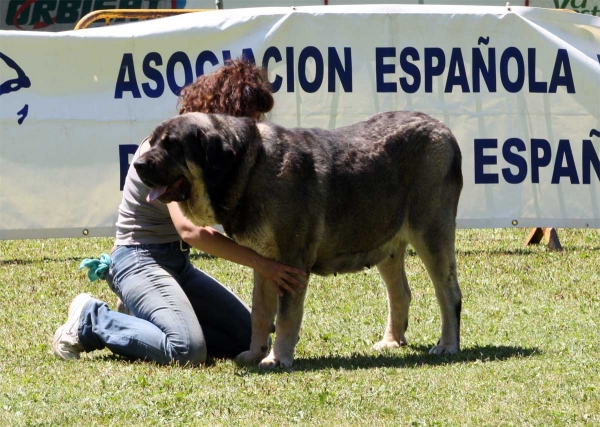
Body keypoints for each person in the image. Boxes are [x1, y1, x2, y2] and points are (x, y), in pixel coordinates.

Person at [53, 60, 305, 365]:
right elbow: (192, 231)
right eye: (252, 119)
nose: (257, 126)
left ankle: (144, 318)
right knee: (187, 349)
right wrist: (264, 264)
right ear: (230, 112)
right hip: (137, 260)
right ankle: (92, 320)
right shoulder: (170, 148)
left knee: (245, 337)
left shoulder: (213, 152)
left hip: (177, 264)